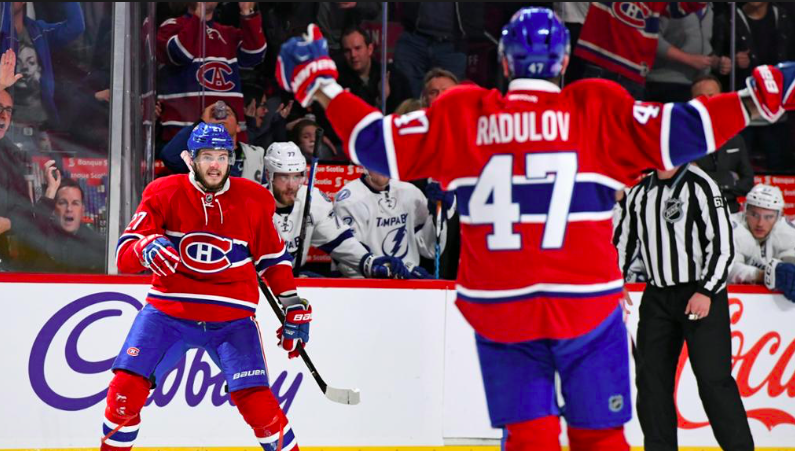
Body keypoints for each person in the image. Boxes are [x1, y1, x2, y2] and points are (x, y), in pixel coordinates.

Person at [275, 7, 793, 449]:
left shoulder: (463, 112)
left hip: (503, 315)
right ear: (564, 62)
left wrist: (320, 88)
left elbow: (375, 143)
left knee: (529, 439)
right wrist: (756, 99)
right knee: (601, 439)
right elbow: (685, 129)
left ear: (503, 62)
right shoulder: (596, 107)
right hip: (586, 309)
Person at [100, 123, 309, 451]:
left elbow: (273, 259)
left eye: (222, 156)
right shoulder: (162, 192)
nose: (215, 164)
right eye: (207, 156)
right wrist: (144, 248)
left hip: (232, 320)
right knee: (125, 392)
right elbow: (124, 257)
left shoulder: (255, 199)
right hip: (167, 313)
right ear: (189, 158)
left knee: (259, 406)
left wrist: (292, 303)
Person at [614, 164, 754, 450]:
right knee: (651, 382)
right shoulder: (640, 193)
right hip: (657, 297)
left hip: (700, 294)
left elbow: (723, 246)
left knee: (713, 381)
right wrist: (615, 282)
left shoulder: (702, 186)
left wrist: (706, 290)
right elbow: (623, 243)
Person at [264, 141, 407, 279]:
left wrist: (369, 262)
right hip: (258, 280)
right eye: (284, 177)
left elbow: (339, 240)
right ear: (269, 175)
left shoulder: (312, 199)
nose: (291, 185)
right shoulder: (252, 205)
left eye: (296, 176)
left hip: (293, 275)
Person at [156, 2, 266, 142]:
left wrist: (247, 11)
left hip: (229, 139)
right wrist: (198, 15)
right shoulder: (171, 26)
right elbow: (181, 53)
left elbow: (255, 55)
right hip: (184, 137)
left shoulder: (228, 33)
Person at [574, 2, 707, 99]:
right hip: (600, 62)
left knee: (626, 134)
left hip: (633, 75)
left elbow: (679, 7)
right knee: (592, 130)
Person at [333, 170, 450, 279]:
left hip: (410, 282)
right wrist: (386, 270)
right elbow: (347, 260)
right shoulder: (349, 200)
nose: (383, 165)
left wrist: (438, 217)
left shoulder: (409, 192)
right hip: (368, 286)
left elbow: (430, 249)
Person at [160, 102, 267, 184]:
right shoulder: (198, 155)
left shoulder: (255, 155)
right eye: (213, 115)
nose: (221, 118)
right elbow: (170, 157)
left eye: (227, 114)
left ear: (238, 127)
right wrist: (201, 124)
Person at [692, 75, 754, 213]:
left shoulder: (735, 138)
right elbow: (687, 182)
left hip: (731, 211)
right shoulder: (682, 139)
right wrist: (728, 179)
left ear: (721, 97)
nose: (706, 101)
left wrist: (713, 181)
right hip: (695, 210)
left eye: (711, 95)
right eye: (700, 97)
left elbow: (748, 182)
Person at [32, 162, 104, 273]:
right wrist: (51, 189)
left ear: (82, 210)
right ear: (53, 208)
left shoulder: (96, 245)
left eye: (75, 203)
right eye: (62, 203)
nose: (69, 208)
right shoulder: (41, 236)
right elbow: (31, 226)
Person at [730, 184, 795, 301]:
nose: (760, 223)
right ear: (745, 211)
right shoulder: (732, 227)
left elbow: (791, 261)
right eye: (754, 215)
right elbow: (728, 269)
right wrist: (763, 275)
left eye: (768, 217)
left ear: (778, 217)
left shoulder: (786, 233)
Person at [0, 88, 35, 271]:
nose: (3, 116)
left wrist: (8, 223)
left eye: (8, 110)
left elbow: (25, 212)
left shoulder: (14, 156)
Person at [337, 27, 411, 113]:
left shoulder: (392, 77)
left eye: (357, 48)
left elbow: (406, 112)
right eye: (347, 51)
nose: (353, 55)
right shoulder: (338, 82)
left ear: (370, 49)